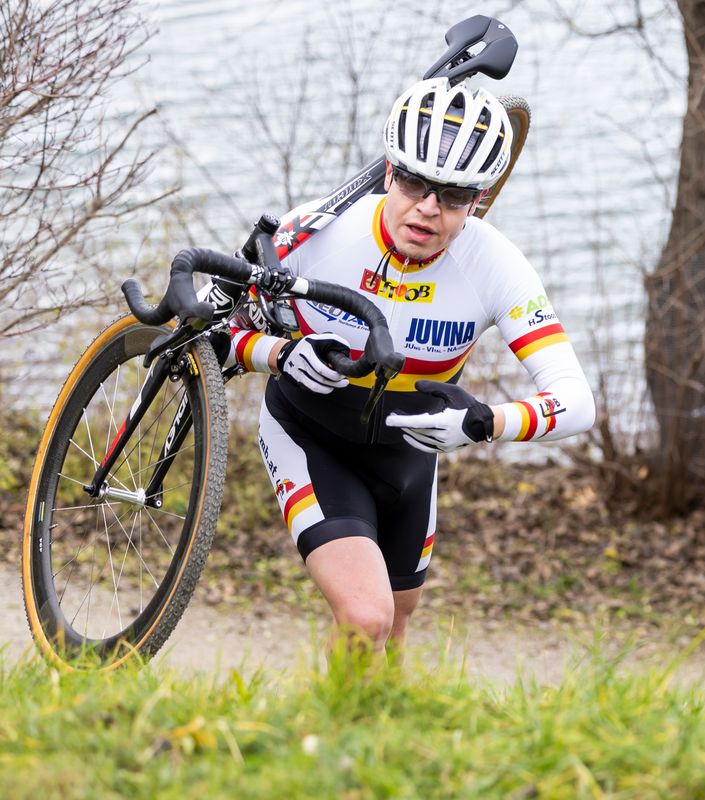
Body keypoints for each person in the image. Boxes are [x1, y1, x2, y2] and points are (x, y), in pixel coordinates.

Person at [217, 78, 595, 656]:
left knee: (392, 630)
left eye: (453, 196)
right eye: (415, 183)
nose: (428, 208)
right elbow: (217, 336)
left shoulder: (496, 266)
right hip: (309, 435)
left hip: (410, 457)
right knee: (366, 616)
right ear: (389, 173)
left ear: (478, 200)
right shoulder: (317, 232)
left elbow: (577, 400)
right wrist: (279, 353)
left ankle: (366, 737)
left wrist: (486, 422)